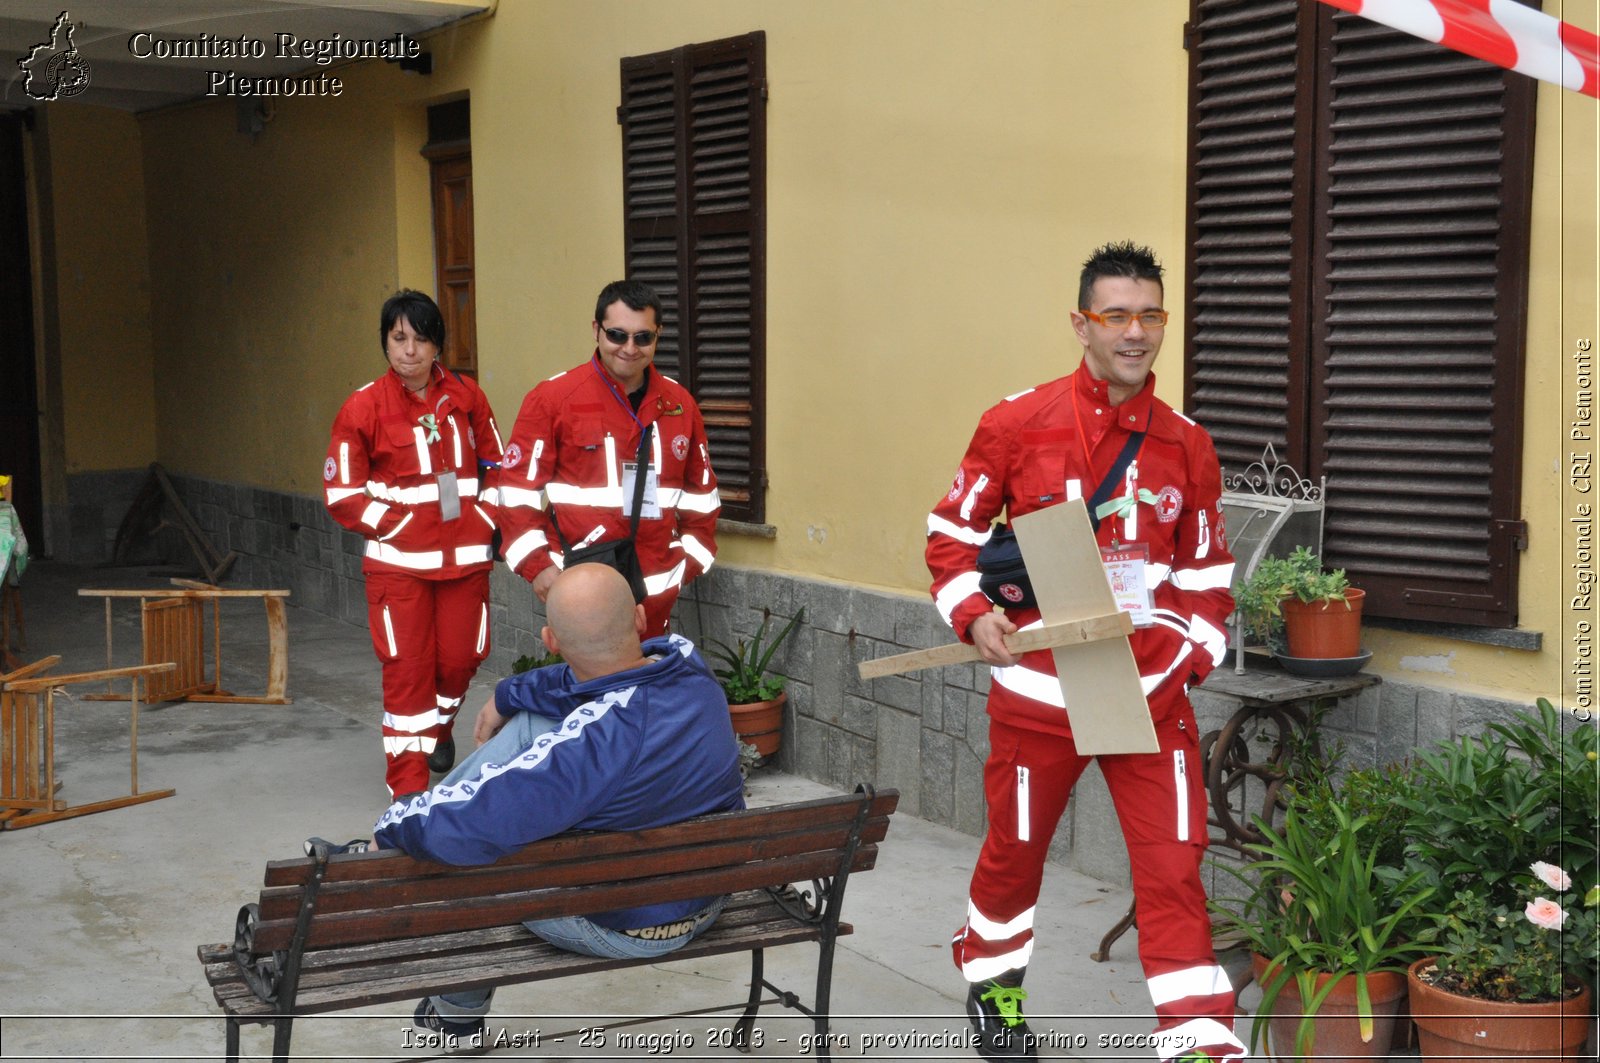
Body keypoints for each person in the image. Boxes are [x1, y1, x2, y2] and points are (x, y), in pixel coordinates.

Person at [925, 242, 1245, 1062]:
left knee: (1174, 867)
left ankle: (1200, 1039)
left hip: (1149, 698)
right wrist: (973, 617)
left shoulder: (1187, 444)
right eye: (1117, 315)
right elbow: (952, 536)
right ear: (1082, 323)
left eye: (1150, 315)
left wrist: (1188, 662)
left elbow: (1209, 575)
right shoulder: (1016, 423)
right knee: (1013, 853)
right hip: (1039, 695)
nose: (1135, 333)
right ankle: (994, 984)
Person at [360, 564, 745, 1052]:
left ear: (550, 640)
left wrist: (392, 825)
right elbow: (585, 685)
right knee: (532, 731)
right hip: (711, 897)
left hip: (624, 926)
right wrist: (507, 696)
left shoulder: (595, 744)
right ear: (643, 620)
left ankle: (456, 1018)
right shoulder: (690, 666)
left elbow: (471, 826)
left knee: (472, 852)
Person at [323, 290, 505, 798]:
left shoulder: (468, 397)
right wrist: (399, 527)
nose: (409, 350)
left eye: (421, 339)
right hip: (398, 568)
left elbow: (497, 469)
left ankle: (437, 730)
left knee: (460, 661)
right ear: (385, 342)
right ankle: (407, 795)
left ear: (437, 345)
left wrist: (484, 518)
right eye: (399, 338)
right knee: (408, 675)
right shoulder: (363, 407)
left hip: (466, 563)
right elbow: (342, 493)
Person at [495, 280, 719, 637]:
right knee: (593, 692)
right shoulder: (553, 399)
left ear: (657, 335)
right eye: (617, 335)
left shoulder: (679, 404)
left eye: (643, 337)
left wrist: (686, 564)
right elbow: (515, 493)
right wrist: (538, 567)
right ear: (596, 330)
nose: (629, 348)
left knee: (647, 690)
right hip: (581, 590)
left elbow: (701, 498)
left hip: (656, 593)